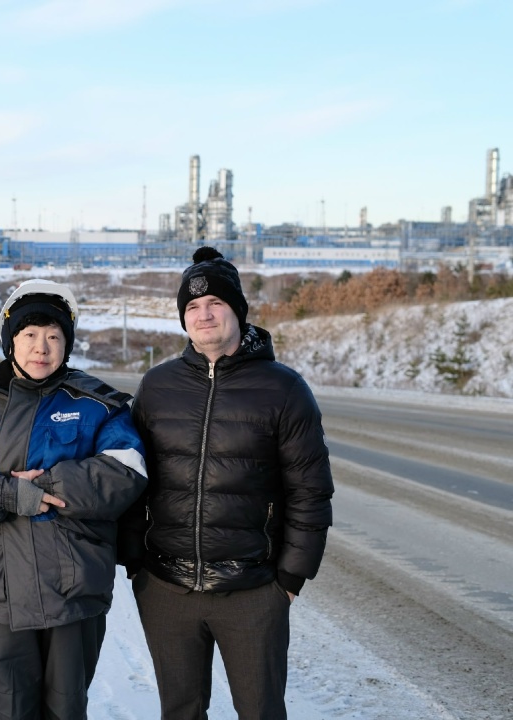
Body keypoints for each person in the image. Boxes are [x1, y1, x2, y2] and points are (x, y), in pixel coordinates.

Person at [119, 246, 335, 720]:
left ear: (237, 310)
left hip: (253, 592)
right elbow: (133, 480)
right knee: (180, 711)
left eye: (215, 303)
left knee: (260, 712)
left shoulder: (284, 388)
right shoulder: (157, 386)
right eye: (192, 307)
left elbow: (310, 490)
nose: (204, 314)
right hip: (166, 588)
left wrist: (289, 580)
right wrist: (135, 562)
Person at [0, 279, 148, 720]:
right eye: (28, 335)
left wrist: (43, 488)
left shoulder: (97, 405)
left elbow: (127, 469)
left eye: (53, 336)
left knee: (66, 711)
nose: (40, 347)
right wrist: (8, 492)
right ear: (10, 341)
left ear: (66, 344)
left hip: (73, 593)